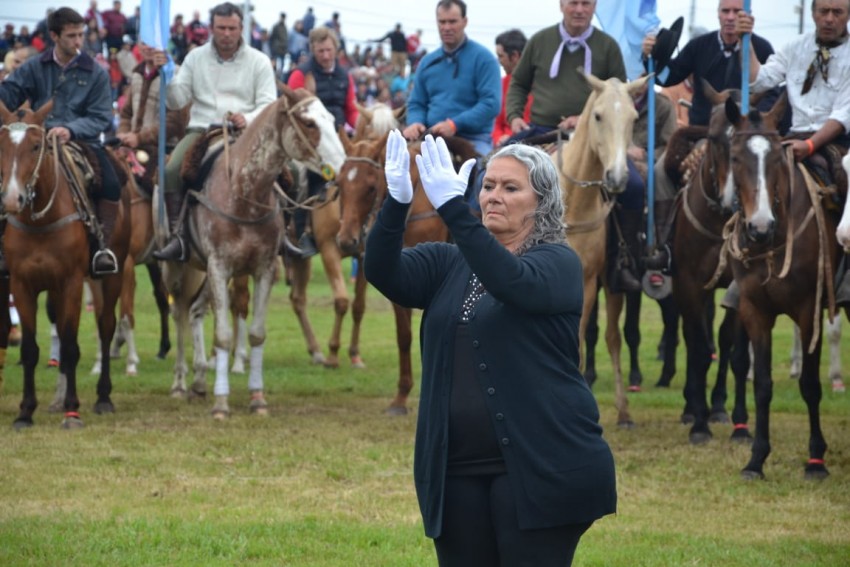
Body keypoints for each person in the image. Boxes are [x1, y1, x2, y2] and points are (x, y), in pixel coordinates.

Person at [365, 131, 616, 566]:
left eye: (511, 188)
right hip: (456, 471)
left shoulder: (558, 262)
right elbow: (383, 272)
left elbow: (509, 282)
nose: (494, 196)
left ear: (541, 203)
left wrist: (453, 210)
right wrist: (397, 202)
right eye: (488, 185)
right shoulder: (450, 262)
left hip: (542, 467)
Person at [506, 0, 641, 291]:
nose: (579, 9)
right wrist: (515, 116)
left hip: (593, 136)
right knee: (490, 170)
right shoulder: (540, 41)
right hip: (541, 131)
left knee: (635, 187)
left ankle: (623, 262)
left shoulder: (608, 46)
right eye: (573, 3)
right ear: (561, 5)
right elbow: (518, 84)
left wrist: (584, 118)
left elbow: (618, 96)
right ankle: (486, 252)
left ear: (594, 7)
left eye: (586, 3)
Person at [642, 0, 779, 274]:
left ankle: (774, 247)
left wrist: (751, 124)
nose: (730, 17)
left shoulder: (761, 48)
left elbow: (773, 94)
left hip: (746, 141)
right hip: (703, 135)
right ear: (718, 14)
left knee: (776, 174)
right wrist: (650, 56)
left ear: (748, 16)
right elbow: (665, 77)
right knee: (659, 172)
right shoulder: (699, 46)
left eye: (737, 12)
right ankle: (664, 243)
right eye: (725, 11)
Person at [737, 0, 850, 307]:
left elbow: (842, 115)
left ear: (847, 16)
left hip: (838, 141)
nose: (829, 18)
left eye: (837, 12)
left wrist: (811, 145)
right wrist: (746, 41)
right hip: (793, 137)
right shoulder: (794, 47)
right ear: (812, 13)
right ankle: (742, 264)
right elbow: (758, 80)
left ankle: (847, 271)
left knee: (845, 180)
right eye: (823, 11)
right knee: (750, 173)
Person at [0, 7, 123, 276]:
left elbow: (101, 116)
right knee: (8, 176)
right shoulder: (34, 66)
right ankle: (3, 247)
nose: (78, 41)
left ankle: (101, 248)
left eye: (81, 34)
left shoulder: (96, 72)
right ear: (54, 36)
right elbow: (8, 94)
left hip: (82, 142)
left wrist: (71, 129)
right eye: (71, 35)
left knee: (112, 184)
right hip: (36, 141)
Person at [152, 2, 277, 262]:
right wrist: (166, 75)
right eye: (221, 28)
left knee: (290, 172)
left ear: (241, 28)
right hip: (202, 131)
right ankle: (178, 236)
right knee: (171, 170)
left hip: (247, 134)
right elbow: (176, 101)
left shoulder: (259, 61)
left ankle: (286, 235)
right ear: (211, 28)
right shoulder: (195, 58)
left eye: (232, 28)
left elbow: (269, 103)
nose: (227, 34)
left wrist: (248, 117)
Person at [287, 26, 358, 257]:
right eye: (320, 51)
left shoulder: (345, 75)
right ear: (312, 50)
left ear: (336, 49)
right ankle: (301, 233)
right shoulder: (300, 75)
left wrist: (362, 126)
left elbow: (351, 110)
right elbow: (292, 113)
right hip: (311, 145)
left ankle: (362, 227)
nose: (326, 56)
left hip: (339, 140)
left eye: (329, 50)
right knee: (302, 179)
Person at [401, 0, 501, 157]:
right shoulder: (427, 62)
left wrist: (454, 124)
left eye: (452, 22)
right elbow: (416, 103)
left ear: (464, 22)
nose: (446, 27)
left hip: (473, 139)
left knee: (482, 170)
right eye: (442, 22)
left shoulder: (484, 59)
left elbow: (491, 104)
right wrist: (415, 122)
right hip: (431, 138)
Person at [115, 42, 186, 162]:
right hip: (135, 148)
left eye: (152, 43)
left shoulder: (176, 74)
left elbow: (175, 121)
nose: (148, 47)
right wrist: (123, 134)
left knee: (171, 171)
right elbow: (127, 114)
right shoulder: (137, 75)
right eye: (144, 43)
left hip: (166, 150)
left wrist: (140, 138)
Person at [491, 28, 531, 148]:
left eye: (501, 56)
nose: (499, 62)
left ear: (514, 56)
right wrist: (498, 138)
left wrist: (511, 138)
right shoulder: (502, 83)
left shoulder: (540, 84)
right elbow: (496, 123)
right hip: (504, 145)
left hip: (531, 144)